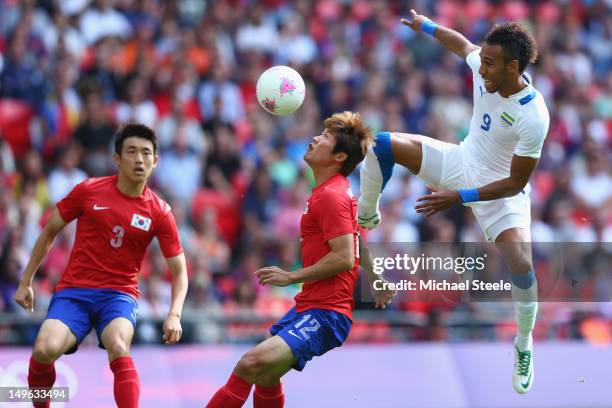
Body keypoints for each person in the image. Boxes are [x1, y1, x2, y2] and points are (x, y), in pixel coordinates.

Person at [357, 10, 549, 394]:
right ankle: (367, 211)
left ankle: (524, 343)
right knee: (380, 144)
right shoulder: (485, 64)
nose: (482, 70)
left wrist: (460, 198)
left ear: (514, 67)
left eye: (491, 65)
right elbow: (461, 43)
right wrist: (425, 25)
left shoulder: (534, 116)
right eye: (484, 62)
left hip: (501, 191)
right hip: (461, 161)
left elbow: (516, 182)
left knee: (522, 262)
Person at [205, 111, 396, 408]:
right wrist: (375, 277)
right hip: (310, 306)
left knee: (249, 364)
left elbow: (345, 257)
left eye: (325, 138)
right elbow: (355, 239)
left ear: (339, 156)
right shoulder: (331, 193)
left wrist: (292, 277)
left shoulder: (331, 196)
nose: (315, 139)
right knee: (267, 376)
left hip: (326, 313)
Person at [14, 124, 188, 408]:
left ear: (155, 162)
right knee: (44, 349)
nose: (139, 160)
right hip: (75, 292)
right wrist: (26, 281)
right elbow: (49, 231)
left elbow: (180, 272)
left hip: (119, 296)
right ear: (117, 158)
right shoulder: (88, 190)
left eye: (146, 153)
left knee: (119, 345)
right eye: (131, 152)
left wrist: (175, 314)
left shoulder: (160, 211)